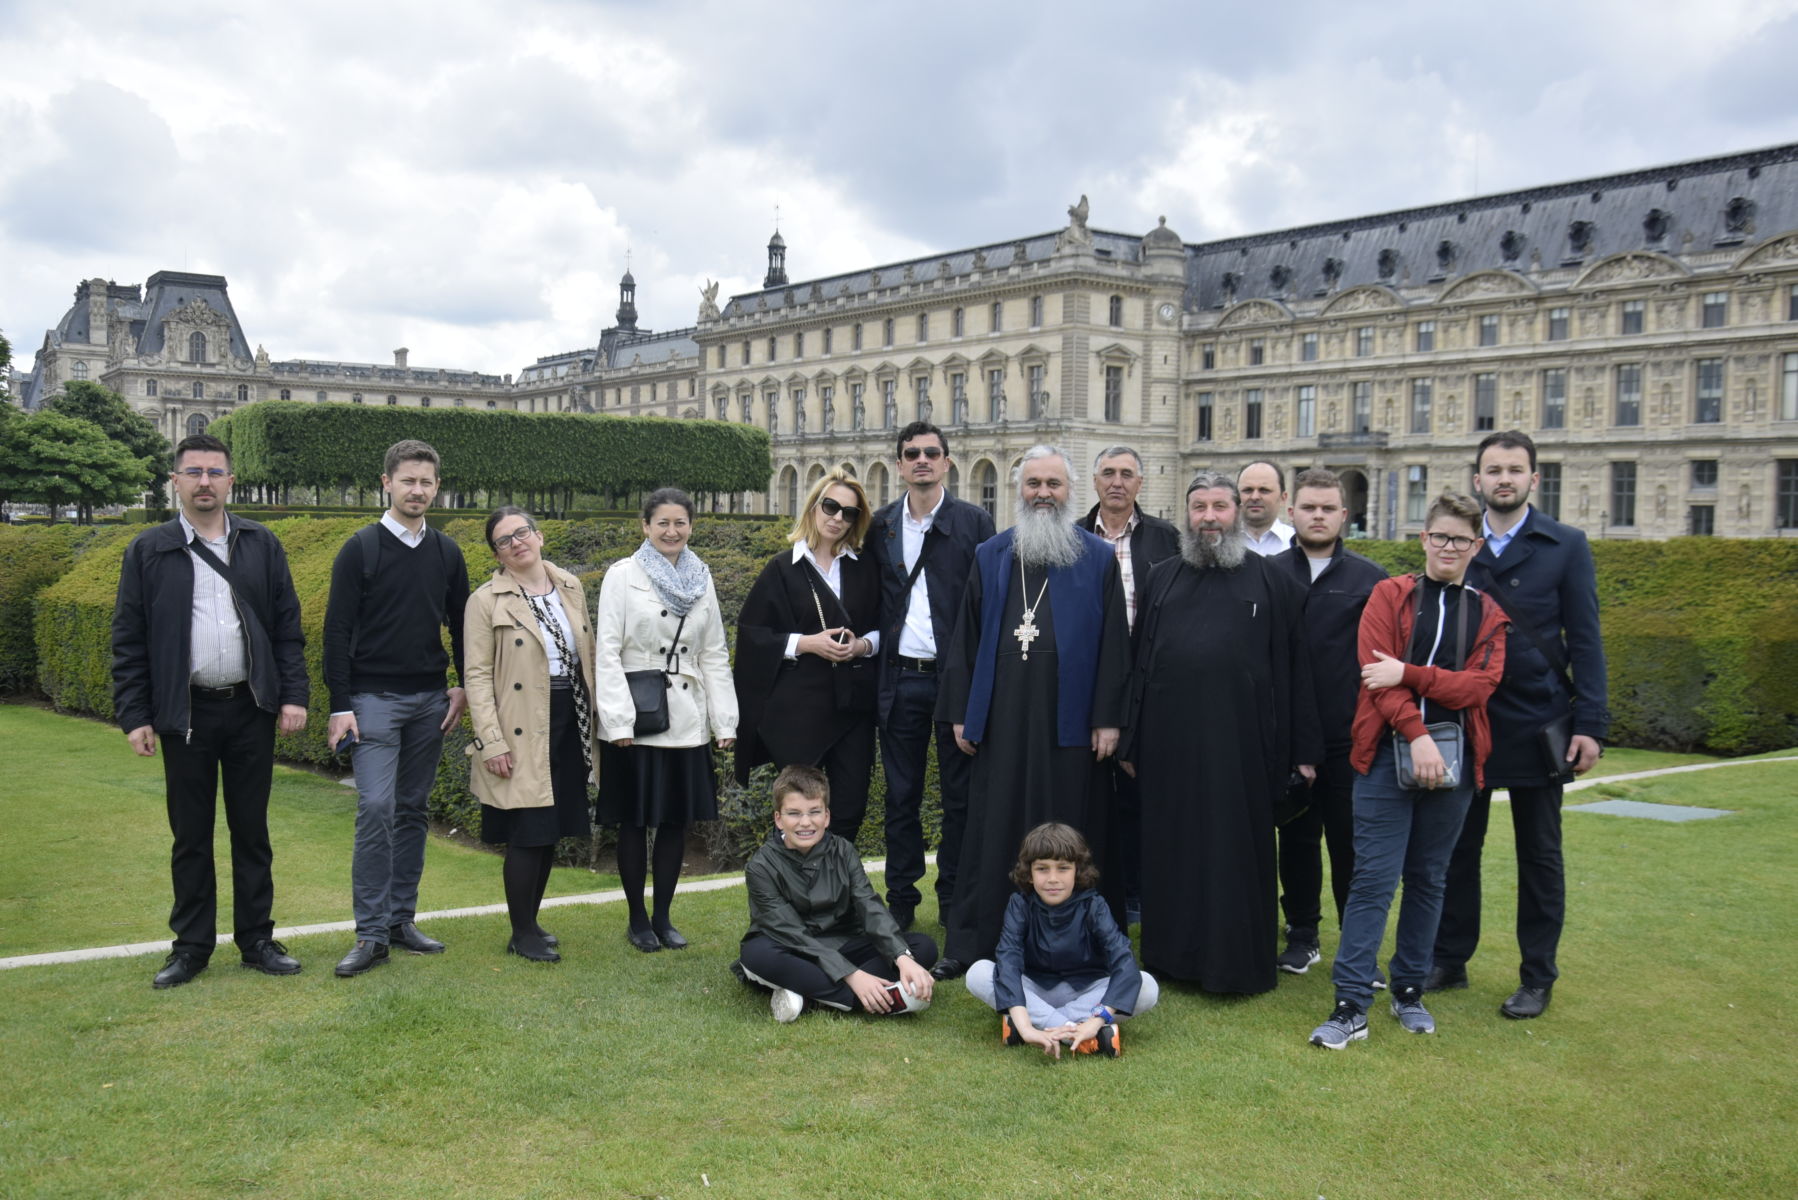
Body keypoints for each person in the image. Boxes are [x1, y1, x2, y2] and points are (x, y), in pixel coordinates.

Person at [1309, 493, 1507, 1049]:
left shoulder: (1487, 613)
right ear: (1423, 539)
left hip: (1457, 766)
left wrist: (1412, 673)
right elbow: (1376, 678)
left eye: (1461, 540)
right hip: (1383, 759)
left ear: (1477, 545)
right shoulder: (1390, 596)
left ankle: (1410, 990)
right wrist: (1418, 735)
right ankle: (1351, 1003)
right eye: (1440, 536)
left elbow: (1480, 686)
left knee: (1428, 880)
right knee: (1372, 880)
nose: (1449, 547)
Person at [112, 433, 310, 989]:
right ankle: (192, 948)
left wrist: (293, 695)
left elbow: (287, 629)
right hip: (186, 714)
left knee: (252, 833)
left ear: (230, 481)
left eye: (214, 472)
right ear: (175, 480)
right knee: (191, 837)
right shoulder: (149, 549)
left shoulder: (261, 544)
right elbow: (129, 639)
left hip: (249, 708)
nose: (204, 482)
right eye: (193, 472)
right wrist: (136, 714)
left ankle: (257, 941)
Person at [1428, 431, 1609, 1020]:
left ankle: (1537, 976)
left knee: (1539, 855)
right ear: (1477, 480)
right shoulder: (1456, 541)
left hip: (1538, 722)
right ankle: (1449, 960)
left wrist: (1592, 724)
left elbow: (1585, 641)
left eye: (1515, 469)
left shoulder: (1566, 546)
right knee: (1456, 850)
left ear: (1534, 478)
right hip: (1467, 720)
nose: (1503, 478)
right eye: (1493, 469)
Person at [933, 445, 1132, 980]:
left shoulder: (1095, 558)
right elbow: (966, 641)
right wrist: (961, 715)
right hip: (1003, 721)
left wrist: (1108, 718)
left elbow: (1115, 644)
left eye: (1054, 484)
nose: (1043, 493)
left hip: (1069, 726)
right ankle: (975, 941)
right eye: (1033, 484)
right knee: (989, 830)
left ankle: (1077, 946)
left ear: (1071, 492)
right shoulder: (992, 554)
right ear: (1019, 490)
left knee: (1069, 829)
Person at [1123, 470, 1321, 995]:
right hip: (1169, 749)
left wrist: (1303, 753)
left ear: (1238, 512)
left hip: (1243, 751)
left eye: (1219, 507)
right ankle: (1169, 959)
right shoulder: (1161, 576)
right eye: (1199, 507)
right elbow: (1140, 660)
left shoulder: (1275, 581)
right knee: (1171, 852)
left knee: (1235, 856)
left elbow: (1298, 670)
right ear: (1186, 515)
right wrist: (1131, 740)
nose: (1209, 518)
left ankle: (1234, 966)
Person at [325, 440, 470, 977]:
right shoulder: (360, 549)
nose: (418, 490)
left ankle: (399, 921)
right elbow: (336, 633)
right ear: (386, 482)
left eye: (427, 482)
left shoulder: (447, 553)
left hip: (430, 701)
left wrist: (461, 687)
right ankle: (368, 933)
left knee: (411, 809)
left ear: (437, 487)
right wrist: (340, 706)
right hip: (372, 702)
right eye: (408, 480)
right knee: (377, 809)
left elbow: (461, 627)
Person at [594, 487, 737, 953]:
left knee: (676, 822)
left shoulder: (702, 576)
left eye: (680, 523)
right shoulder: (623, 575)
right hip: (639, 716)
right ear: (645, 527)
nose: (671, 531)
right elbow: (607, 651)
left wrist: (725, 721)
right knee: (635, 823)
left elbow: (714, 651)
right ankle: (637, 919)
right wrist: (617, 722)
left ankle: (664, 916)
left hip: (686, 717)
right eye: (662, 523)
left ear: (691, 526)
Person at [868, 422, 994, 931]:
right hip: (899, 679)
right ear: (899, 464)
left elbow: (989, 608)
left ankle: (955, 897)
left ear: (946, 462)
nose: (922, 460)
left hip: (955, 681)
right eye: (911, 453)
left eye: (931, 453)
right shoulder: (880, 527)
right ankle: (901, 900)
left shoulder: (975, 524)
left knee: (960, 798)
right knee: (901, 797)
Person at [462, 507, 595, 964]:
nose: (516, 542)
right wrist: (491, 741)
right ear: (497, 553)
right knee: (528, 830)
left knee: (552, 828)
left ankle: (532, 920)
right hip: (519, 723)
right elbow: (476, 676)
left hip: (569, 717)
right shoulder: (485, 600)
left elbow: (588, 657)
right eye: (504, 540)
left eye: (522, 533)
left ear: (538, 536)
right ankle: (521, 933)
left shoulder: (571, 587)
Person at [1268, 468, 1388, 974]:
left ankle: (1359, 950)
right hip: (1289, 737)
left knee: (1350, 846)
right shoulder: (1269, 572)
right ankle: (1302, 935)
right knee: (1295, 841)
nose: (1318, 516)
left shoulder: (1371, 579)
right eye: (1309, 507)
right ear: (1290, 510)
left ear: (1344, 515)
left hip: (1348, 738)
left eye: (1328, 508)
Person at [734, 469, 881, 849]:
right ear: (814, 506)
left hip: (852, 706)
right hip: (798, 711)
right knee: (800, 810)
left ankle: (834, 888)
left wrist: (862, 646)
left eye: (849, 513)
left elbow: (886, 625)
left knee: (849, 807)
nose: (837, 518)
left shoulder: (865, 567)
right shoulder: (783, 568)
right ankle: (792, 890)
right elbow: (753, 635)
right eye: (831, 506)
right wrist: (806, 643)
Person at [735, 765, 938, 1022]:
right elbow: (790, 932)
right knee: (756, 955)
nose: (805, 822)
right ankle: (873, 997)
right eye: (794, 814)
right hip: (791, 947)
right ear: (778, 819)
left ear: (827, 816)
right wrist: (853, 975)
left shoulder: (844, 851)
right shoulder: (760, 866)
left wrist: (902, 956)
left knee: (923, 947)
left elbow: (869, 905)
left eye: (814, 812)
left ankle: (807, 998)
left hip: (844, 943)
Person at [1078, 444, 1179, 926]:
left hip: (1148, 683)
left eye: (1127, 474)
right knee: (1093, 792)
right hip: (1088, 681)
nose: (1117, 482)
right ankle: (1091, 886)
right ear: (1094, 482)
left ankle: (1139, 892)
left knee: (1141, 792)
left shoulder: (1165, 539)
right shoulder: (1073, 536)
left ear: (1141, 484)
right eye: (1108, 473)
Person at [965, 822, 1159, 1059]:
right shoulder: (1020, 904)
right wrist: (1026, 1029)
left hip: (1086, 991)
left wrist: (1098, 1018)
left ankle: (1033, 1023)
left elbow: (1124, 961)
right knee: (978, 972)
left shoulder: (1093, 905)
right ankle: (1079, 1035)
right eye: (1043, 869)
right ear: (1029, 873)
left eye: (1063, 868)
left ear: (1077, 870)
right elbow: (1008, 961)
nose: (1053, 878)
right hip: (1034, 988)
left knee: (1146, 985)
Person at [1237, 460, 1295, 556]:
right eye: (1248, 490)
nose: (1254, 497)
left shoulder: (1297, 542)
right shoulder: (1222, 542)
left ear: (1283, 498)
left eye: (1264, 490)